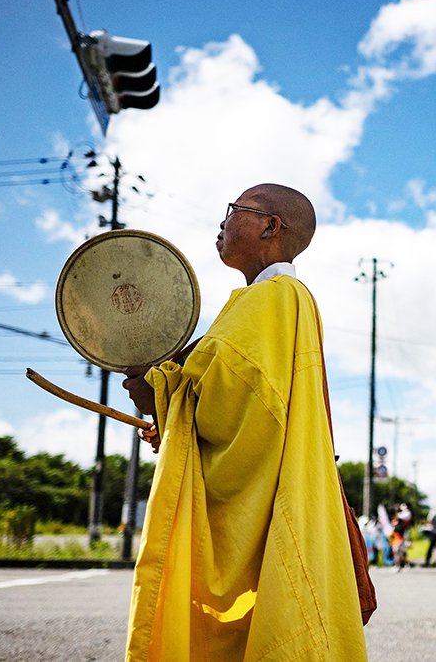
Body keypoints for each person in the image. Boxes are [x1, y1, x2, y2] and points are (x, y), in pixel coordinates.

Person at [121, 184, 368, 660]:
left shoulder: (275, 296)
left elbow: (233, 402)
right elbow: (249, 409)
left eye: (233, 210)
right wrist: (173, 401)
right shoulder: (280, 299)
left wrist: (164, 396)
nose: (222, 221)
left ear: (270, 226)